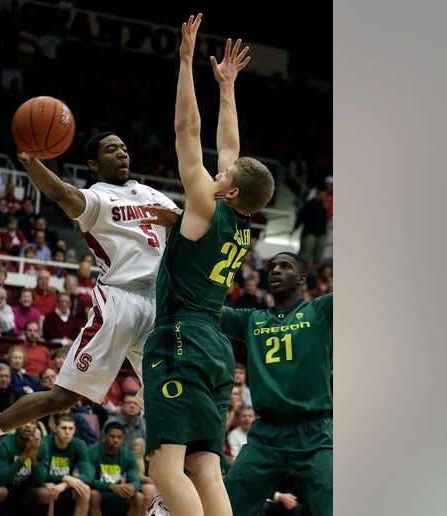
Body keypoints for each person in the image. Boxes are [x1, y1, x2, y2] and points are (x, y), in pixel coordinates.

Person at [0, 124, 179, 494]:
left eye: (125, 147)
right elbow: (61, 192)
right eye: (113, 150)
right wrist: (32, 162)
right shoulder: (96, 199)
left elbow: (189, 221)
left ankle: (163, 496)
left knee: (169, 398)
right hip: (119, 300)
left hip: (158, 302)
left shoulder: (152, 195)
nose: (123, 153)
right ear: (94, 165)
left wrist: (178, 218)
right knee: (62, 397)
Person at [142, 16, 274, 516]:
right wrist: (227, 87)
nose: (220, 167)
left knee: (165, 468)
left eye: (225, 173)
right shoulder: (239, 219)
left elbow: (186, 129)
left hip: (183, 338)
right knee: (205, 467)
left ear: (232, 190)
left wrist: (184, 62)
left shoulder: (203, 206)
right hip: (217, 350)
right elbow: (230, 145)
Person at [221, 252, 332, 516]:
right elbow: (206, 311)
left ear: (302, 278)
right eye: (271, 267)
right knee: (226, 506)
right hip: (266, 433)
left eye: (285, 266)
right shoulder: (252, 319)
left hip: (314, 431)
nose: (275, 271)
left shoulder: (319, 310)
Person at [0, 420, 50, 515]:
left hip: (25, 490)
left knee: (43, 493)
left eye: (32, 423)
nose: (28, 425)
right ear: (17, 425)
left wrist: (33, 458)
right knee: (0, 492)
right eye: (24, 421)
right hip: (4, 487)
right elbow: (1, 479)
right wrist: (24, 455)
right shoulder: (4, 444)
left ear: (36, 427)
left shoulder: (41, 446)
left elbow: (40, 481)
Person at [86, 421, 145, 516]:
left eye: (119, 437)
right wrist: (111, 487)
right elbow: (90, 480)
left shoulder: (128, 455)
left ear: (123, 439)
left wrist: (131, 487)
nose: (116, 440)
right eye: (112, 436)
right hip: (100, 490)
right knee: (94, 494)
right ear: (104, 437)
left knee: (139, 497)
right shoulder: (92, 451)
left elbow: (136, 482)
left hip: (118, 491)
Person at [42, 413, 93, 516]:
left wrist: (66, 483)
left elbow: (88, 476)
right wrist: (66, 478)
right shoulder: (44, 443)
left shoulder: (79, 444)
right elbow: (39, 474)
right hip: (45, 483)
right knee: (49, 488)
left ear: (74, 430)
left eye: (71, 429)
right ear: (55, 429)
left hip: (64, 485)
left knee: (85, 490)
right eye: (63, 428)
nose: (67, 432)